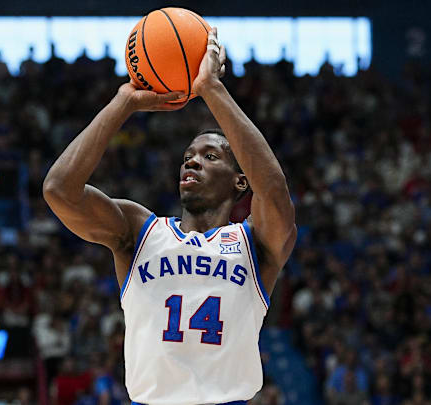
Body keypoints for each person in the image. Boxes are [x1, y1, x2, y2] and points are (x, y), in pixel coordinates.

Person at [43, 28, 296, 405]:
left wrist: (212, 89)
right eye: (187, 157)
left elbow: (273, 189)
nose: (192, 160)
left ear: (240, 181)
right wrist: (124, 101)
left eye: (211, 156)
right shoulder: (138, 230)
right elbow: (58, 190)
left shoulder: (256, 243)